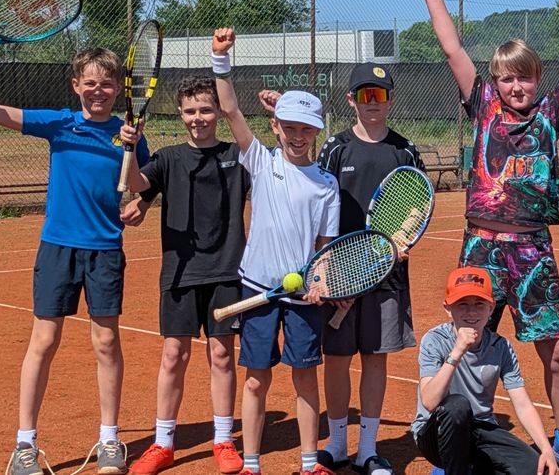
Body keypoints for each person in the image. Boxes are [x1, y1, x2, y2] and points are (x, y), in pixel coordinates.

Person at [409, 0, 559, 474]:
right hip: (480, 246)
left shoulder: (551, 113)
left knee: (557, 352)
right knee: (466, 339)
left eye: (524, 78)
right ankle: (450, 443)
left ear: (536, 79)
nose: (515, 87)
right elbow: (452, 47)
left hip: (531, 249)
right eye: (506, 79)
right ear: (496, 82)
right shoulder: (481, 103)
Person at [0, 38, 148, 475]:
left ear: (119, 88)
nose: (98, 91)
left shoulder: (129, 133)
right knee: (44, 340)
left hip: (105, 250)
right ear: (76, 86)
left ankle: (109, 439)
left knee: (106, 342)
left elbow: (138, 186)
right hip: (58, 247)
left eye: (107, 84)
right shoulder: (60, 124)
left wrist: (132, 150)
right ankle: (24, 445)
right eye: (90, 83)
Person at [259, 63, 423, 475]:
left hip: (386, 276)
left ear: (390, 100)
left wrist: (399, 242)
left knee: (375, 359)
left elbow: (415, 205)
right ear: (351, 100)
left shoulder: (405, 151)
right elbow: (316, 193)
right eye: (365, 95)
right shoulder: (335, 147)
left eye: (380, 95)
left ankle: (367, 449)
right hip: (337, 275)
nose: (373, 103)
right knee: (335, 358)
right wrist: (328, 271)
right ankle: (336, 444)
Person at [210, 27, 340, 475]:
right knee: (256, 379)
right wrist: (221, 59)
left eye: (306, 129)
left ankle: (309, 463)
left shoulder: (326, 184)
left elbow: (324, 245)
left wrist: (320, 281)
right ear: (275, 127)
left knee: (305, 378)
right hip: (257, 288)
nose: (297, 136)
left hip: (302, 296)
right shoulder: (261, 162)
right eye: (290, 128)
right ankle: (250, 463)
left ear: (317, 132)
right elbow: (229, 109)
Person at [118, 75, 249, 475]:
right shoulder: (169, 158)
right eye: (190, 111)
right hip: (180, 273)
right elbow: (139, 183)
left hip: (226, 271)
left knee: (222, 354)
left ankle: (224, 440)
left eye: (206, 110)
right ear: (179, 113)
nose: (198, 118)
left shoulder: (238, 156)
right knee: (174, 355)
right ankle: (163, 443)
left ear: (218, 112)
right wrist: (131, 147)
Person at [413, 267, 559, 475]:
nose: (471, 312)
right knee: (456, 406)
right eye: (462, 304)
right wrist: (457, 352)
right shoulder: (435, 340)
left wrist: (546, 449)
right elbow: (429, 401)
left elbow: (522, 403)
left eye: (479, 304)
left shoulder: (500, 346)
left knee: (535, 468)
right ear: (448, 308)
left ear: (491, 308)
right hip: (436, 433)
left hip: (479, 430)